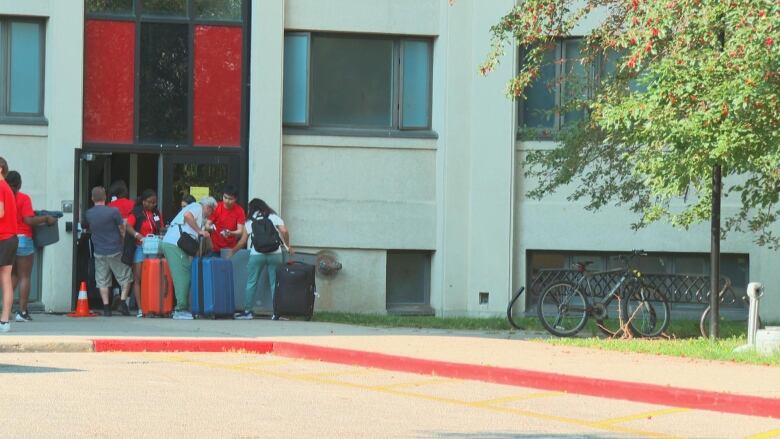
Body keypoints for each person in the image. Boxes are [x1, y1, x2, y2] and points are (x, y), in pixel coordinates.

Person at [5, 171, 57, 322]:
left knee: (12, 275)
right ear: (19, 184)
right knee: (25, 276)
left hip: (7, 239)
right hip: (23, 239)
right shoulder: (23, 198)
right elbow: (28, 220)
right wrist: (47, 218)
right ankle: (22, 312)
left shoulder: (3, 197)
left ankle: (6, 311)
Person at [230, 198, 292, 320]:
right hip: (275, 254)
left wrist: (232, 251)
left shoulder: (249, 221)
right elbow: (284, 231)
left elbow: (242, 241)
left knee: (252, 282)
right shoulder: (273, 216)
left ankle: (248, 312)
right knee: (275, 283)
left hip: (256, 254)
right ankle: (276, 313)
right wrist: (288, 246)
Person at [160, 196, 216, 320]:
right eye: (211, 211)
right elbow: (187, 216)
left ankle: (181, 307)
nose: (209, 215)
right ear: (208, 207)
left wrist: (202, 229)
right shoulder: (197, 207)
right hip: (175, 244)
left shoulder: (196, 210)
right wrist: (199, 231)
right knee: (183, 277)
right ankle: (180, 309)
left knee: (183, 275)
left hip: (172, 243)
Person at [84, 186, 133, 316]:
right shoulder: (114, 212)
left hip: (99, 250)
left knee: (102, 279)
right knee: (125, 276)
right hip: (115, 249)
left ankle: (106, 308)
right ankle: (123, 302)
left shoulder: (89, 213)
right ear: (105, 197)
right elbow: (122, 229)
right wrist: (124, 243)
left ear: (92, 198)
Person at [124, 189, 164, 318]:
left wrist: (163, 233)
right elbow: (128, 226)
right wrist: (137, 235)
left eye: (154, 203)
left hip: (154, 247)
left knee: (153, 278)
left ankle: (153, 306)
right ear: (143, 201)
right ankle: (141, 308)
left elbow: (161, 227)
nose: (152, 205)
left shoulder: (156, 213)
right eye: (149, 202)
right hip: (140, 247)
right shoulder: (136, 212)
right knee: (138, 278)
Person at [0, 157, 18, 332]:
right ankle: (4, 321)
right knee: (5, 279)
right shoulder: (8, 189)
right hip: (10, 238)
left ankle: (4, 320)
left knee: (5, 279)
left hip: (2, 238)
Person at [206, 185, 245, 258]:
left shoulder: (239, 211)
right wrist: (210, 227)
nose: (227, 201)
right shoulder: (217, 207)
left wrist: (230, 233)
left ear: (235, 199)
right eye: (225, 197)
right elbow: (207, 224)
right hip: (215, 247)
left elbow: (240, 231)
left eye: (230, 199)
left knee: (227, 269)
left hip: (229, 249)